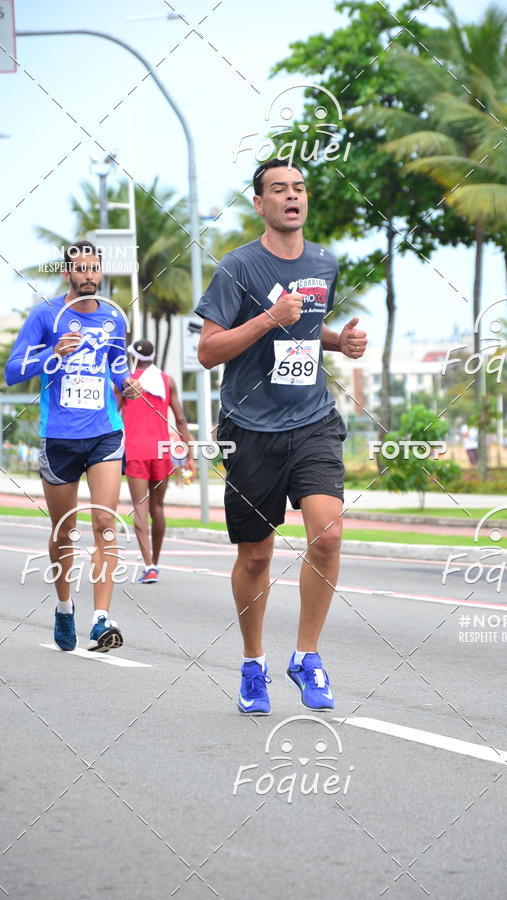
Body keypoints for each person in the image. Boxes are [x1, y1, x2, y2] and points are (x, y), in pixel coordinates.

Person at [197, 158, 367, 715]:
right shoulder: (237, 269)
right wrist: (268, 319)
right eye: (278, 189)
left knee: (329, 536)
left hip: (313, 419)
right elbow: (208, 352)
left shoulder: (325, 261)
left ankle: (307, 657)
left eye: (299, 188)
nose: (291, 196)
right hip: (250, 430)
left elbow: (307, 333)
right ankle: (252, 664)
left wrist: (340, 343)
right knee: (256, 558)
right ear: (259, 203)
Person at [5, 241, 141, 652]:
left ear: (101, 273)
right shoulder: (46, 315)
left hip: (104, 432)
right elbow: (13, 371)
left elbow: (117, 363)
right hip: (59, 436)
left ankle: (101, 620)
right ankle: (64, 607)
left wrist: (125, 383)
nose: (88, 276)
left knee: (104, 523)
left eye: (94, 269)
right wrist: (51, 352)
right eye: (80, 269)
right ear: (67, 273)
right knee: (64, 532)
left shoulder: (113, 316)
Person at [121, 338, 196, 584]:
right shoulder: (168, 381)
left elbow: (112, 412)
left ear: (133, 356)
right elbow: (182, 420)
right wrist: (190, 454)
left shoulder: (127, 382)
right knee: (158, 508)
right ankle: (156, 561)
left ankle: (148, 566)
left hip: (136, 451)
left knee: (140, 508)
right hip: (162, 451)